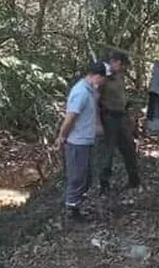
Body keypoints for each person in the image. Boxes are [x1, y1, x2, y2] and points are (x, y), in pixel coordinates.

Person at [57, 61, 107, 220]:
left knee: (85, 177)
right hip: (77, 142)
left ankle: (77, 204)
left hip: (86, 140)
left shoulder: (89, 90)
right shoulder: (81, 93)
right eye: (102, 80)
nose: (102, 84)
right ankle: (72, 210)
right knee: (77, 177)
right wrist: (62, 136)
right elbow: (71, 117)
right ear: (96, 76)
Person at [98, 48, 141, 194]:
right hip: (108, 117)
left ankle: (134, 179)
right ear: (114, 62)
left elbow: (121, 96)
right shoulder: (102, 76)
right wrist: (97, 123)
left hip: (121, 116)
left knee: (129, 147)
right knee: (108, 152)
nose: (123, 69)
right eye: (121, 65)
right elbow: (95, 99)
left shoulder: (119, 76)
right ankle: (104, 185)